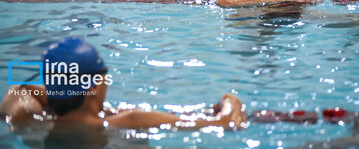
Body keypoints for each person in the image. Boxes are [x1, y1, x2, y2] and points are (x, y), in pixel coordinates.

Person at [0, 37, 246, 131]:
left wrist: (61, 90)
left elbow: (20, 89)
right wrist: (230, 100)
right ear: (94, 85)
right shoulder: (129, 120)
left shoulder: (27, 118)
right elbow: (226, 122)